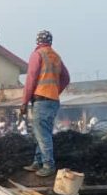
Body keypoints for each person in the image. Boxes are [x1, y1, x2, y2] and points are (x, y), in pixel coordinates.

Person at [21, 30, 70, 177]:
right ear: (50, 41)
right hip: (53, 100)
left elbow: (30, 79)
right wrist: (55, 91)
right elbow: (66, 78)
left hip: (41, 100)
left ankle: (48, 164)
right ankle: (38, 162)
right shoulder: (56, 56)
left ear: (37, 41)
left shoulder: (37, 54)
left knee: (42, 135)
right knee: (41, 132)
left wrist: (24, 102)